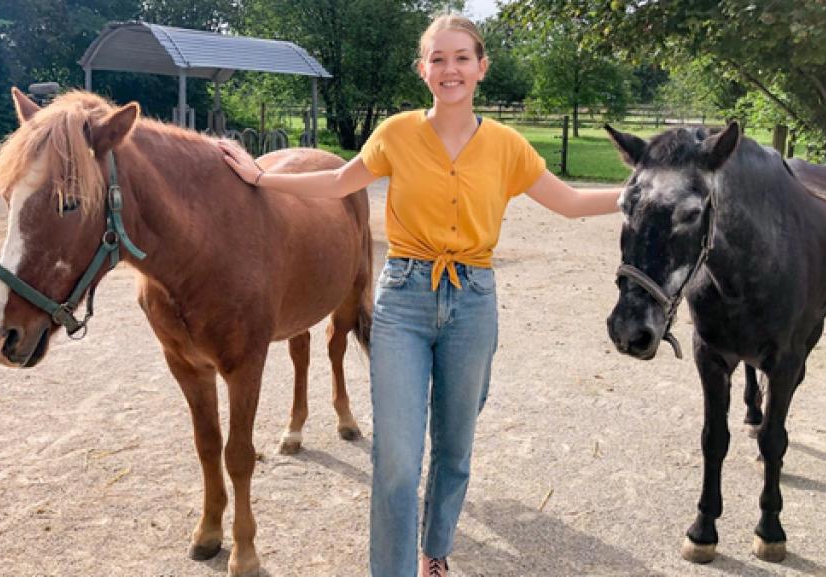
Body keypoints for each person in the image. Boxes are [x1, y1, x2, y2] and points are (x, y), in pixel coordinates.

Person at [218, 13, 622, 577]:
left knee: (454, 450)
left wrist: (640, 192)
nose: (449, 68)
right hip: (405, 299)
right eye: (438, 58)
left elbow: (572, 202)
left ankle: (435, 548)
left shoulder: (508, 146)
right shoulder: (397, 133)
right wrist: (262, 179)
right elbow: (339, 183)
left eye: (461, 57)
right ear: (422, 69)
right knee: (397, 461)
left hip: (474, 301)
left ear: (481, 67)